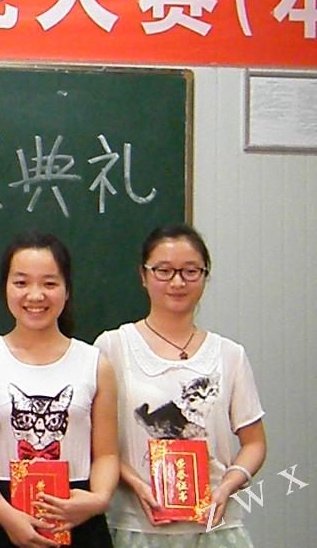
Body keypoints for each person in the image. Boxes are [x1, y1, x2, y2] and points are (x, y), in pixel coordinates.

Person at [95, 224, 266, 548]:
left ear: (205, 276)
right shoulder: (113, 347)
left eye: (190, 271)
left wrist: (229, 484)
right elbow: (96, 443)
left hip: (215, 528)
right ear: (143, 275)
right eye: (164, 271)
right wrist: (133, 482)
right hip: (135, 526)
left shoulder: (229, 354)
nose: (177, 282)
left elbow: (254, 443)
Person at [0, 230, 118, 548]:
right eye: (21, 282)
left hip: (77, 513)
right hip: (0, 518)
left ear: (67, 290)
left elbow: (107, 453)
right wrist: (4, 514)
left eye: (49, 283)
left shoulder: (95, 364)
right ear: (5, 287)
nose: (35, 295)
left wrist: (98, 499)